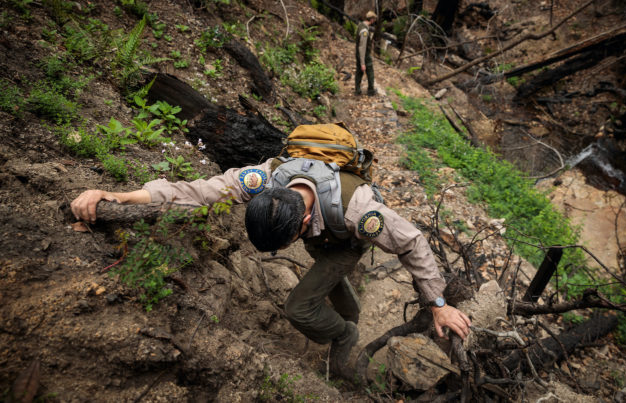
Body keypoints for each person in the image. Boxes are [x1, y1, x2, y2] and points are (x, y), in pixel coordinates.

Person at [71, 156, 471, 379]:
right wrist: (118, 196)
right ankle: (350, 314)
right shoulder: (261, 180)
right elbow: (196, 191)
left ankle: (346, 331)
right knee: (323, 280)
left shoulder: (359, 210)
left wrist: (437, 303)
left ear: (300, 226)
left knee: (300, 306)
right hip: (321, 237)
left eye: (285, 243)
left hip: (344, 243)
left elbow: (412, 241)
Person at [355, 11, 377, 96]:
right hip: (364, 54)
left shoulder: (360, 25)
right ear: (371, 19)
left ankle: (357, 90)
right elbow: (362, 47)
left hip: (358, 53)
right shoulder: (365, 30)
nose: (374, 21)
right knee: (370, 71)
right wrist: (363, 62)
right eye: (374, 19)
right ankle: (371, 90)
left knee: (359, 72)